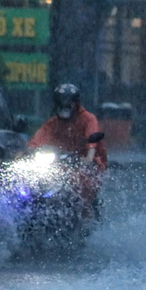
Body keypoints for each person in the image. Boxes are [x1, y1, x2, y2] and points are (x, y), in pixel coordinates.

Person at [29, 83, 107, 219]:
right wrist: (27, 152)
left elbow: (92, 140)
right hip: (60, 163)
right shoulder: (53, 123)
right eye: (61, 103)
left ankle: (84, 217)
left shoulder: (88, 119)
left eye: (68, 103)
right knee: (32, 183)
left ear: (76, 104)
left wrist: (88, 157)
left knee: (82, 185)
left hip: (87, 164)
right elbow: (38, 138)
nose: (65, 106)